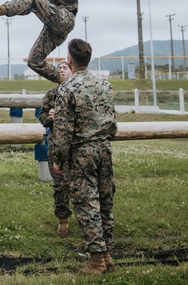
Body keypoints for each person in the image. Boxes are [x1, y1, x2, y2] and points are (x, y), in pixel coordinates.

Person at [49, 39, 117, 275]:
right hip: (104, 149)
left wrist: (58, 157)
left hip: (82, 152)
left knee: (87, 204)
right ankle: (107, 254)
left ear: (70, 59)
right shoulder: (104, 84)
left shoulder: (68, 88)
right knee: (106, 202)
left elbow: (64, 128)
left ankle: (97, 260)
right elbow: (112, 120)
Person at [38, 61, 74, 237]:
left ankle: (87, 218)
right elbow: (42, 117)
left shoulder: (78, 91)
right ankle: (63, 220)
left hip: (77, 146)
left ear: (72, 72)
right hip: (57, 145)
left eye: (64, 68)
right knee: (60, 184)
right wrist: (50, 118)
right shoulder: (51, 95)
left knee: (80, 183)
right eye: (58, 69)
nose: (60, 70)